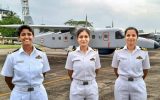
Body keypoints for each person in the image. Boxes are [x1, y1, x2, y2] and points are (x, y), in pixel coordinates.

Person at [1, 25, 50, 100]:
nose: (26, 37)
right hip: (19, 94)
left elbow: (43, 73)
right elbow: (7, 78)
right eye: (23, 34)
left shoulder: (42, 54)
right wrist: (19, 90)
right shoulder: (12, 56)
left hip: (39, 94)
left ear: (33, 36)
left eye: (29, 34)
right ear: (19, 38)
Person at [112, 27, 150, 100]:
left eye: (133, 35)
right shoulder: (118, 51)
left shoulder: (143, 52)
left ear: (137, 37)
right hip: (122, 84)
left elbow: (145, 70)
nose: (130, 37)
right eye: (128, 35)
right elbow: (115, 68)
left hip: (138, 83)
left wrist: (138, 79)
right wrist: (123, 78)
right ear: (125, 37)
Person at [65, 28, 101, 100]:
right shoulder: (72, 53)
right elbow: (69, 71)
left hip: (91, 87)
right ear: (77, 39)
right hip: (76, 87)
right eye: (81, 37)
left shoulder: (95, 53)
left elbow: (97, 69)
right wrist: (77, 81)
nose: (83, 39)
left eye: (86, 36)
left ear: (89, 38)